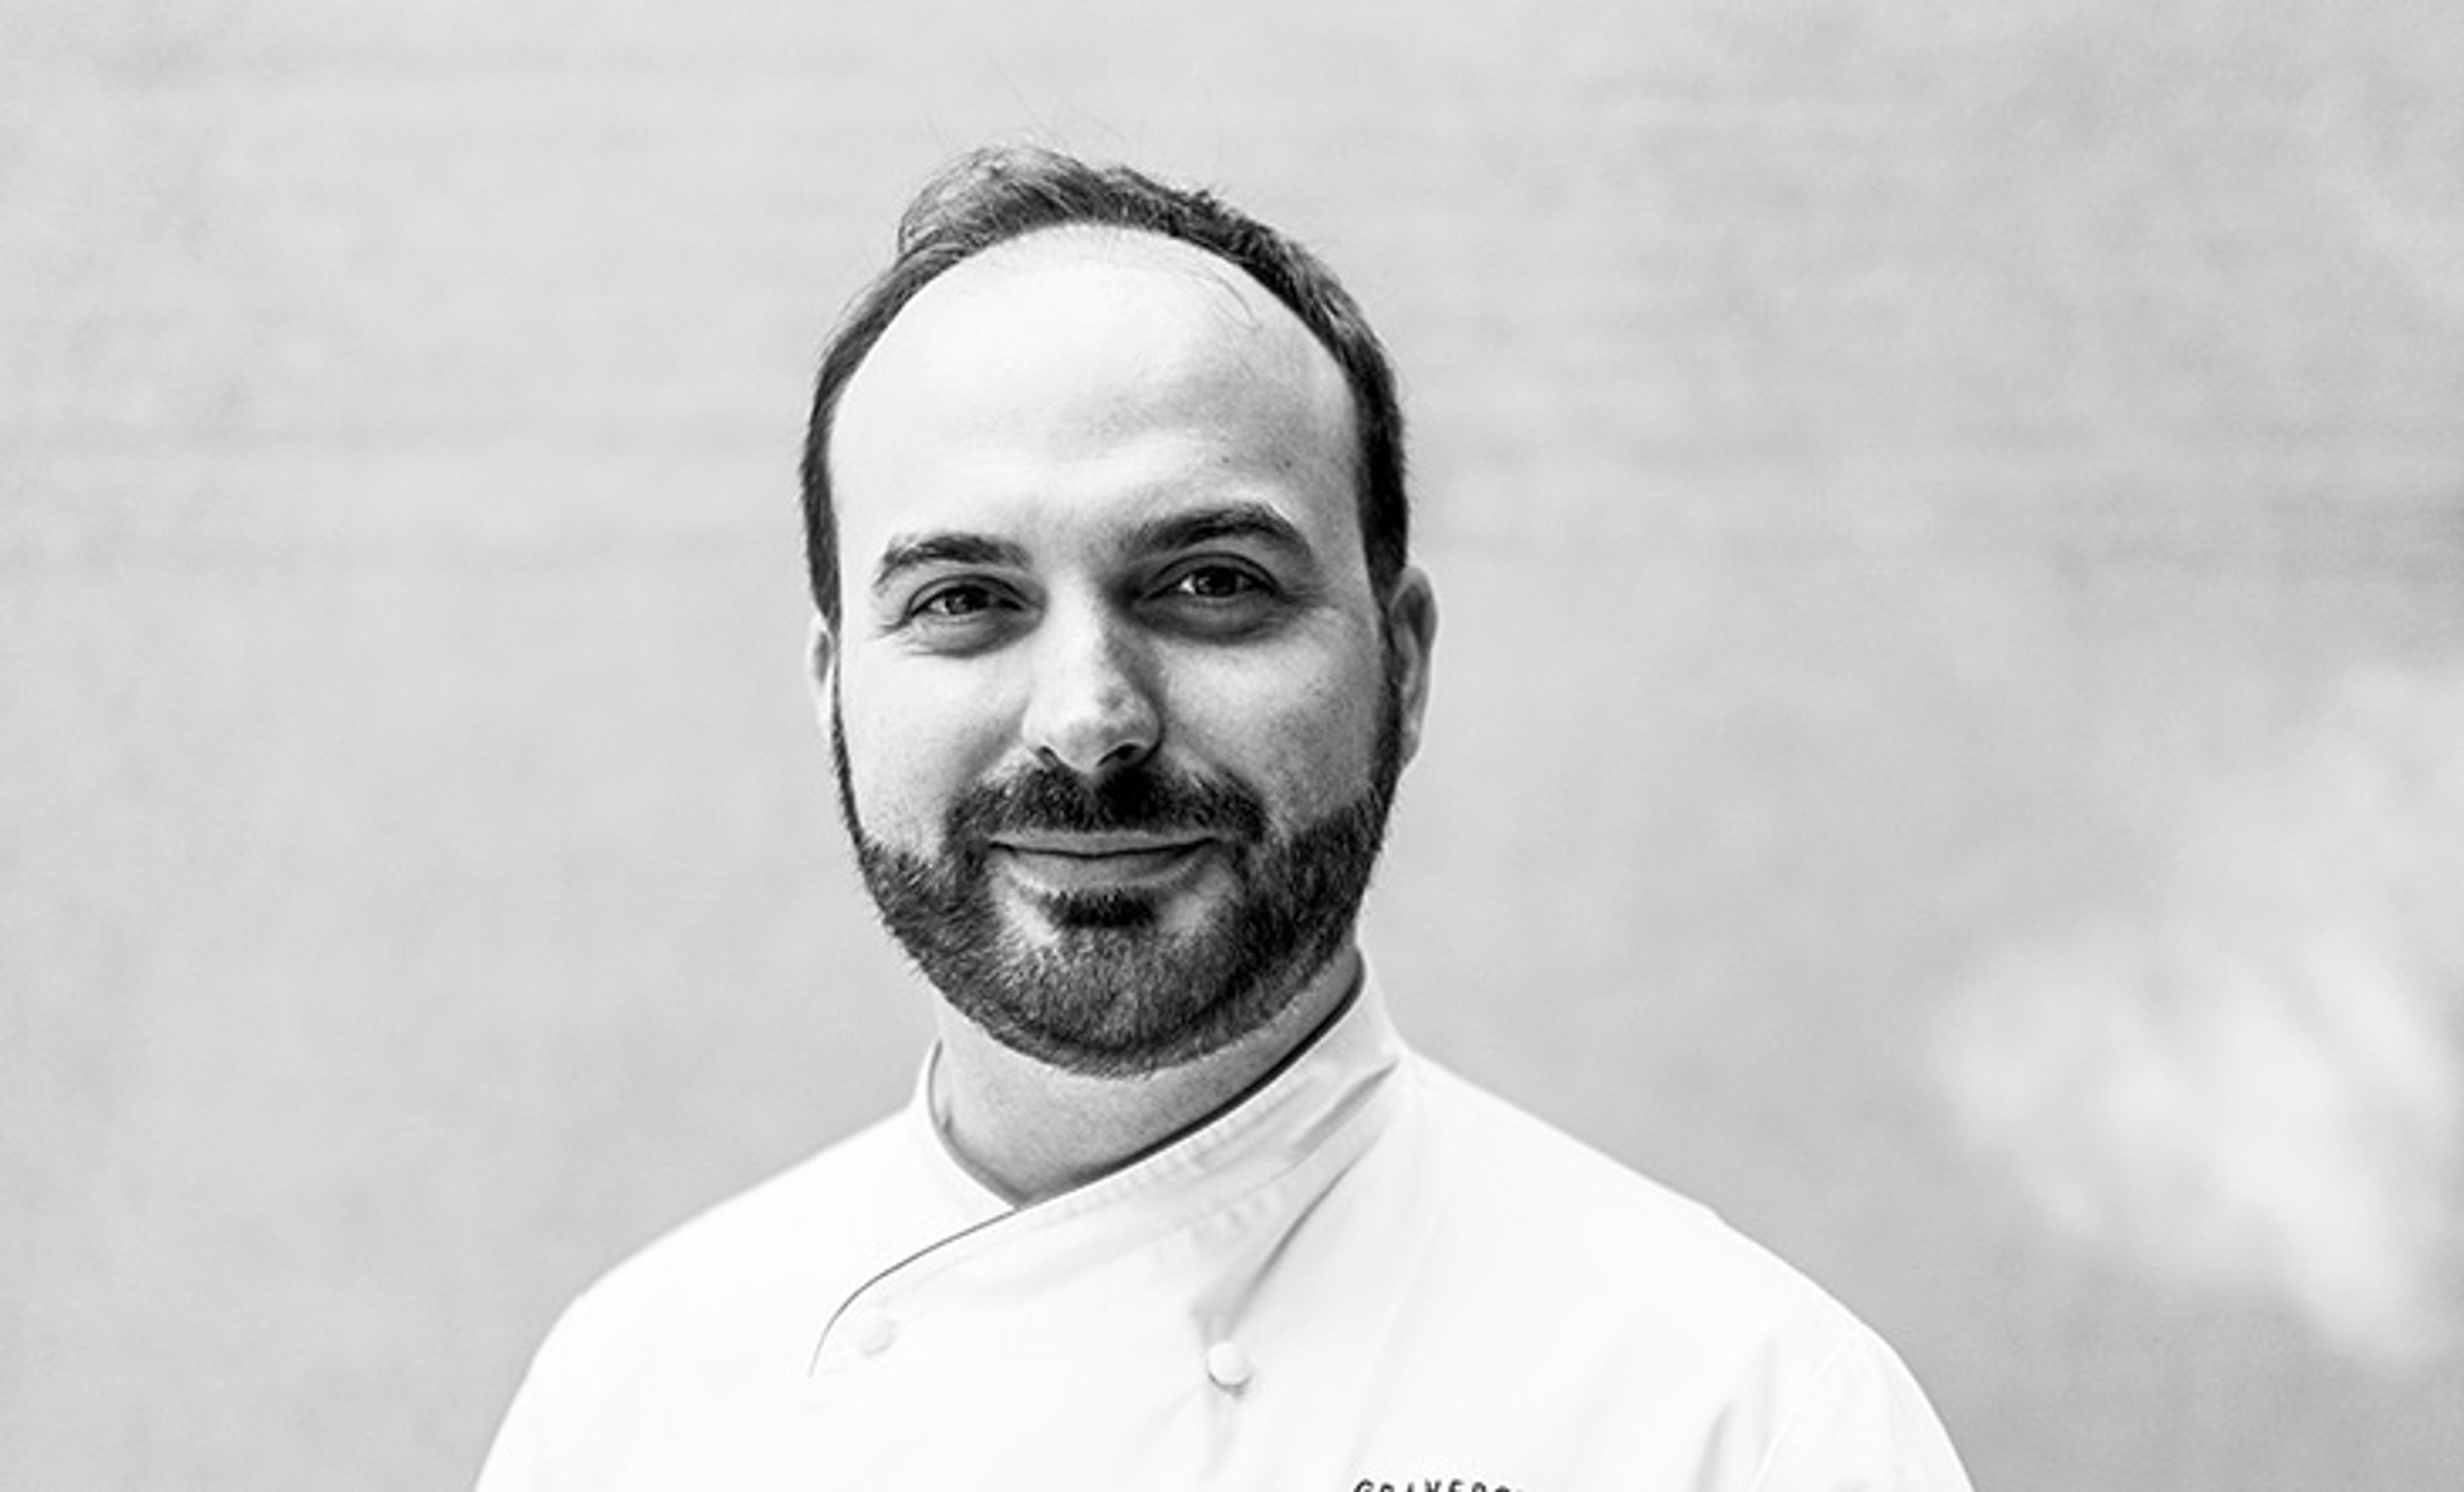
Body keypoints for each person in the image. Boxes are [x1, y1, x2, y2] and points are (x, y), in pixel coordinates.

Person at [474, 144, 1974, 1491]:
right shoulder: (629, 1407)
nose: (1088, 716)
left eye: (1212, 583)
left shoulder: (1744, 1421)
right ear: (833, 689)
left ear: (1404, 665)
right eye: (965, 598)